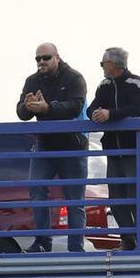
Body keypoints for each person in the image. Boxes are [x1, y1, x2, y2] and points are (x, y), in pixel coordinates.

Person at [16, 42, 88, 252]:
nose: (41, 63)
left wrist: (48, 107)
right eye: (37, 59)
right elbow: (21, 113)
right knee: (37, 190)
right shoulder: (32, 81)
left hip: (72, 146)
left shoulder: (74, 78)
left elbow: (75, 107)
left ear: (57, 57)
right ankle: (42, 242)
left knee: (74, 199)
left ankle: (76, 247)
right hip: (45, 145)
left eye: (45, 58)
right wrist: (28, 106)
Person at [89, 47, 140, 251]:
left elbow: (137, 110)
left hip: (134, 150)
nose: (102, 67)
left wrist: (110, 114)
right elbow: (92, 108)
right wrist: (96, 114)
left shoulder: (137, 83)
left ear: (112, 64)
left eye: (102, 63)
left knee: (136, 197)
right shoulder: (104, 85)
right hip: (113, 152)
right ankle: (128, 240)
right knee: (116, 198)